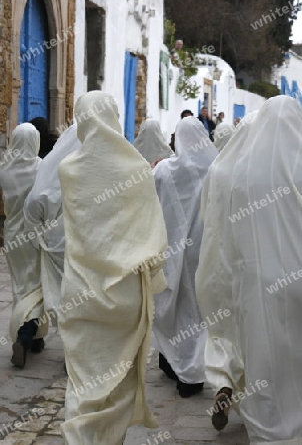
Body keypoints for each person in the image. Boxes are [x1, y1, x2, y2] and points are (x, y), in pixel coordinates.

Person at [58, 91, 168, 445]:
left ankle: (81, 436)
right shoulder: (136, 169)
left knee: (83, 377)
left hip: (81, 291)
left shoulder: (68, 169)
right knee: (119, 378)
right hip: (125, 292)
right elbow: (153, 232)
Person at [196, 96, 302, 443]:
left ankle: (267, 429)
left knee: (261, 357)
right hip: (295, 277)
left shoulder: (240, 172)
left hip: (252, 281)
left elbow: (222, 232)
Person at [152, 116, 218, 398]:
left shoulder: (164, 170)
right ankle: (191, 372)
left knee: (171, 302)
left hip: (170, 246)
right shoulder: (217, 168)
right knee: (199, 307)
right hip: (204, 248)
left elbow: (150, 201)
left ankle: (173, 361)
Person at [0, 123, 47, 368]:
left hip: (12, 235)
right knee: (37, 285)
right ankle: (27, 335)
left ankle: (33, 336)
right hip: (34, 234)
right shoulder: (41, 167)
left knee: (20, 285)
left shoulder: (4, 168)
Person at [24, 125, 82, 316]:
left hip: (54, 244)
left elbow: (35, 201)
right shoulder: (93, 168)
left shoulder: (50, 167)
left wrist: (37, 236)